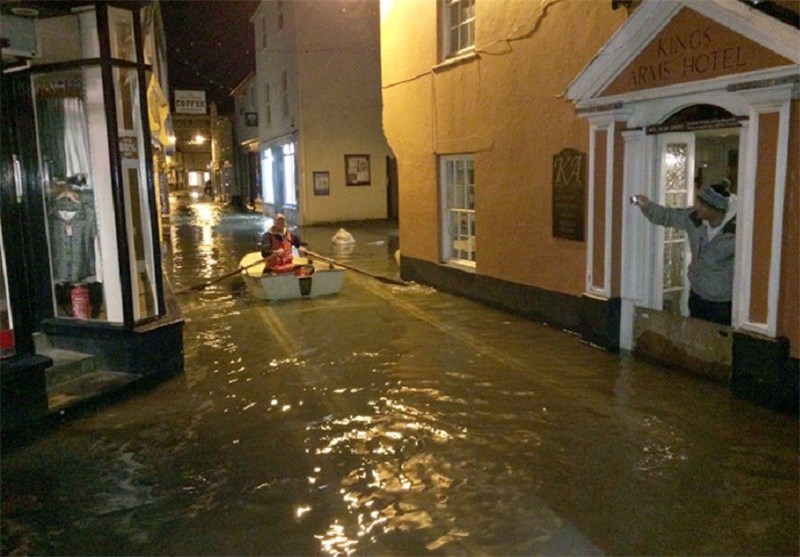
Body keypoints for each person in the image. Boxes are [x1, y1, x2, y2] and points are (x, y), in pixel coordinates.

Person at [632, 182, 736, 325]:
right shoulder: (694, 218)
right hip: (697, 295)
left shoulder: (737, 231)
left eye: (701, 204)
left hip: (723, 303)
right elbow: (668, 216)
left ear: (716, 209)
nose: (696, 207)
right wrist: (647, 205)